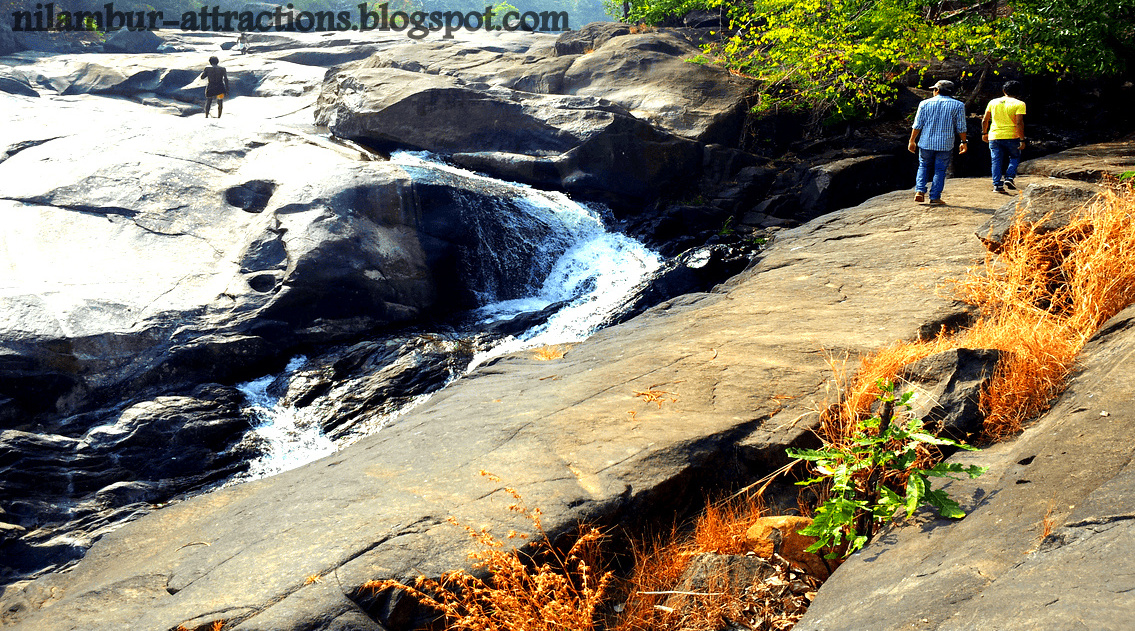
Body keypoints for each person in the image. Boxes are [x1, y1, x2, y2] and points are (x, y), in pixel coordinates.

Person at [908, 79, 968, 205]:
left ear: (937, 90)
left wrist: (912, 140)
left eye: (934, 89)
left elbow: (918, 124)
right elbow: (961, 127)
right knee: (940, 170)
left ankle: (919, 190)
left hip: (926, 142)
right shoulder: (958, 105)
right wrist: (964, 142)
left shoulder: (924, 103)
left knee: (923, 165)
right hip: (945, 144)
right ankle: (935, 197)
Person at [982, 80, 1026, 193]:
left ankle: (997, 185)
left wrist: (984, 133)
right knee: (1014, 157)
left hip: (995, 135)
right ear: (1018, 92)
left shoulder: (993, 102)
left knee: (996, 160)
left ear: (1003, 90)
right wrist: (1022, 139)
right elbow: (1019, 123)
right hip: (1012, 136)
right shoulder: (1020, 104)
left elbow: (985, 120)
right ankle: (1009, 177)